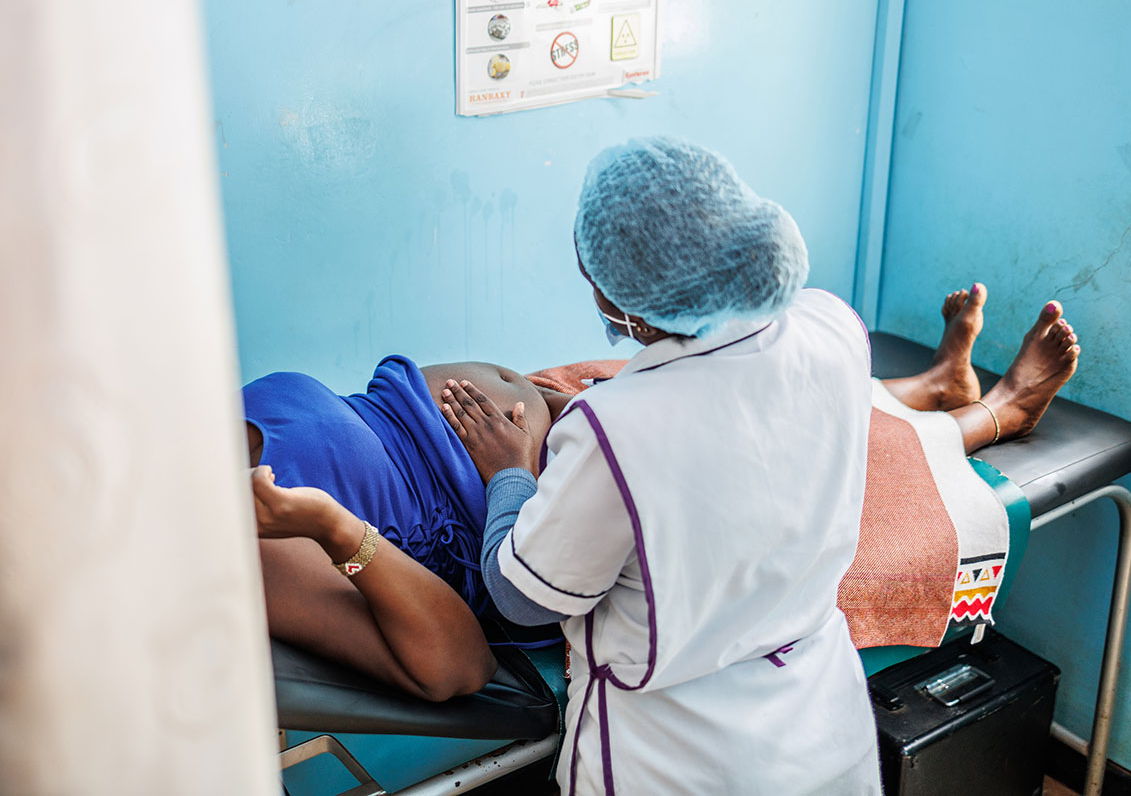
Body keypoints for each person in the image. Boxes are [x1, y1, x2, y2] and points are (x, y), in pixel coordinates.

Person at [246, 194, 1079, 716]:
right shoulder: (248, 529)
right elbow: (455, 663)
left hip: (550, 417)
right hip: (532, 498)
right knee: (772, 442)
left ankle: (933, 383)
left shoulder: (199, 422)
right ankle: (996, 414)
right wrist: (516, 463)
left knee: (750, 378)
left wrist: (542, 418)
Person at [434, 138, 1076, 794]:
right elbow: (735, 411)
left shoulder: (610, 433)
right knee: (884, 424)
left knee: (894, 448)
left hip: (672, 760)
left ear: (620, 297)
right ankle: (970, 395)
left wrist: (508, 469)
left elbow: (521, 598)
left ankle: (995, 406)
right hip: (817, 729)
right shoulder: (832, 325)